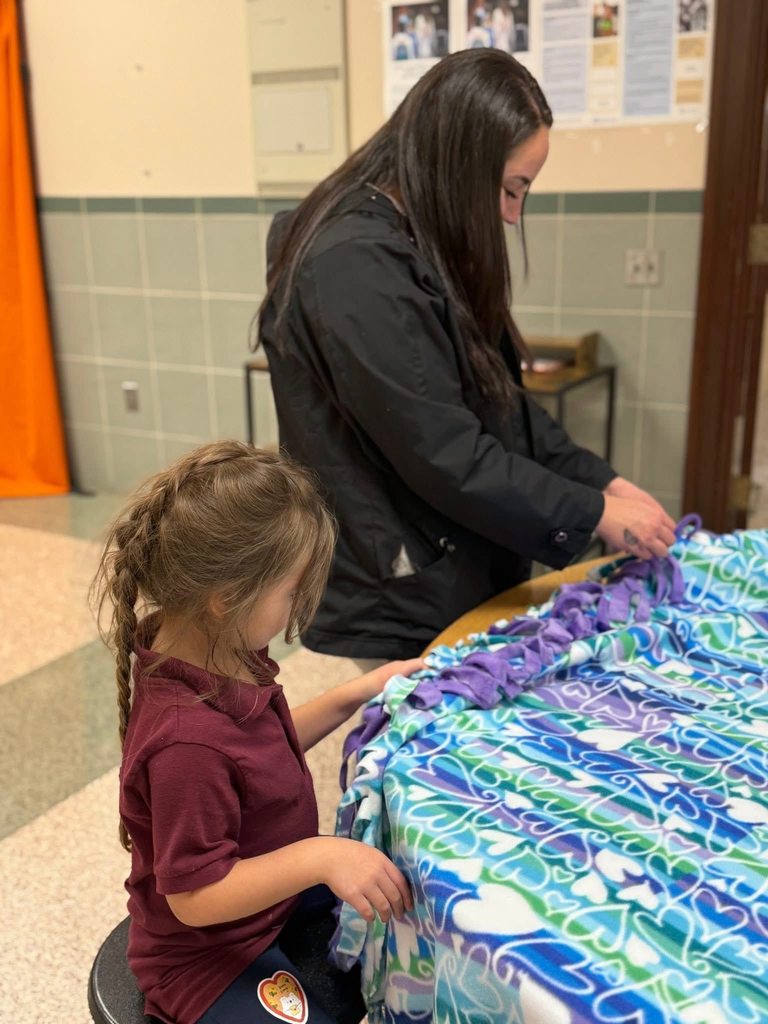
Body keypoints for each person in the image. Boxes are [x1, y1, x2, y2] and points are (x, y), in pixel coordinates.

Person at [257, 48, 676, 662]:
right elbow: (445, 451)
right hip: (398, 586)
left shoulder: (419, 241)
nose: (512, 215)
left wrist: (603, 484)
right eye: (511, 189)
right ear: (458, 165)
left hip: (449, 561)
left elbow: (503, 405)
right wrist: (591, 514)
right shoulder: (353, 262)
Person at [91, 440, 423, 1024]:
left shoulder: (219, 649)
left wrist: (355, 693)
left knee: (410, 903)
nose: (299, 603)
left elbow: (254, 756)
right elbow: (196, 898)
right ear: (226, 599)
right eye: (291, 591)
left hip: (274, 906)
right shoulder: (183, 743)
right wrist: (321, 855)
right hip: (206, 958)